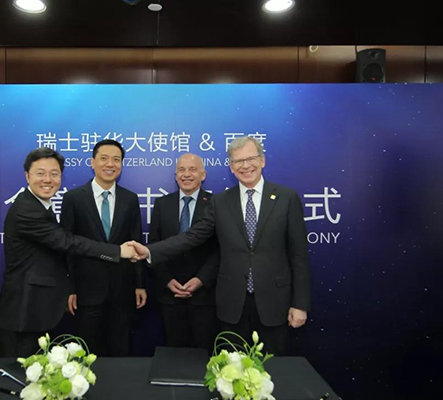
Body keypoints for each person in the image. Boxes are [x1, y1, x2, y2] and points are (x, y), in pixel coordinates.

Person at [131, 137, 311, 356]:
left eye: (251, 159)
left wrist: (299, 304)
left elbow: (299, 256)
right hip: (232, 304)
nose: (245, 166)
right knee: (231, 369)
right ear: (231, 167)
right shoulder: (221, 202)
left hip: (274, 303)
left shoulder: (286, 198)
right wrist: (150, 251)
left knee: (272, 369)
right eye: (238, 161)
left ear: (262, 161)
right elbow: (192, 236)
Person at [0, 147, 136, 357]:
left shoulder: (40, 205)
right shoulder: (27, 210)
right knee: (23, 374)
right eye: (40, 173)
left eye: (54, 174)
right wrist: (117, 251)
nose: (48, 180)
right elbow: (67, 242)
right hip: (25, 312)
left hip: (38, 310)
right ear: (27, 176)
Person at [60, 139, 147, 356]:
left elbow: (136, 242)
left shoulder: (130, 199)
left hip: (122, 289)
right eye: (104, 158)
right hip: (86, 291)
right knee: (87, 353)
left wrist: (139, 284)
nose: (110, 164)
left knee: (121, 350)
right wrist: (69, 288)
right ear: (92, 162)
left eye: (116, 159)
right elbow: (66, 246)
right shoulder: (73, 198)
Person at [149, 153, 220, 351]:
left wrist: (201, 280)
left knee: (203, 354)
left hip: (205, 295)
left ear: (203, 175)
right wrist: (167, 280)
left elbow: (220, 249)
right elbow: (154, 245)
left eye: (192, 170)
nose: (186, 174)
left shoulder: (216, 204)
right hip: (169, 295)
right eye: (181, 170)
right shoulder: (162, 204)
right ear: (175, 175)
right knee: (173, 353)